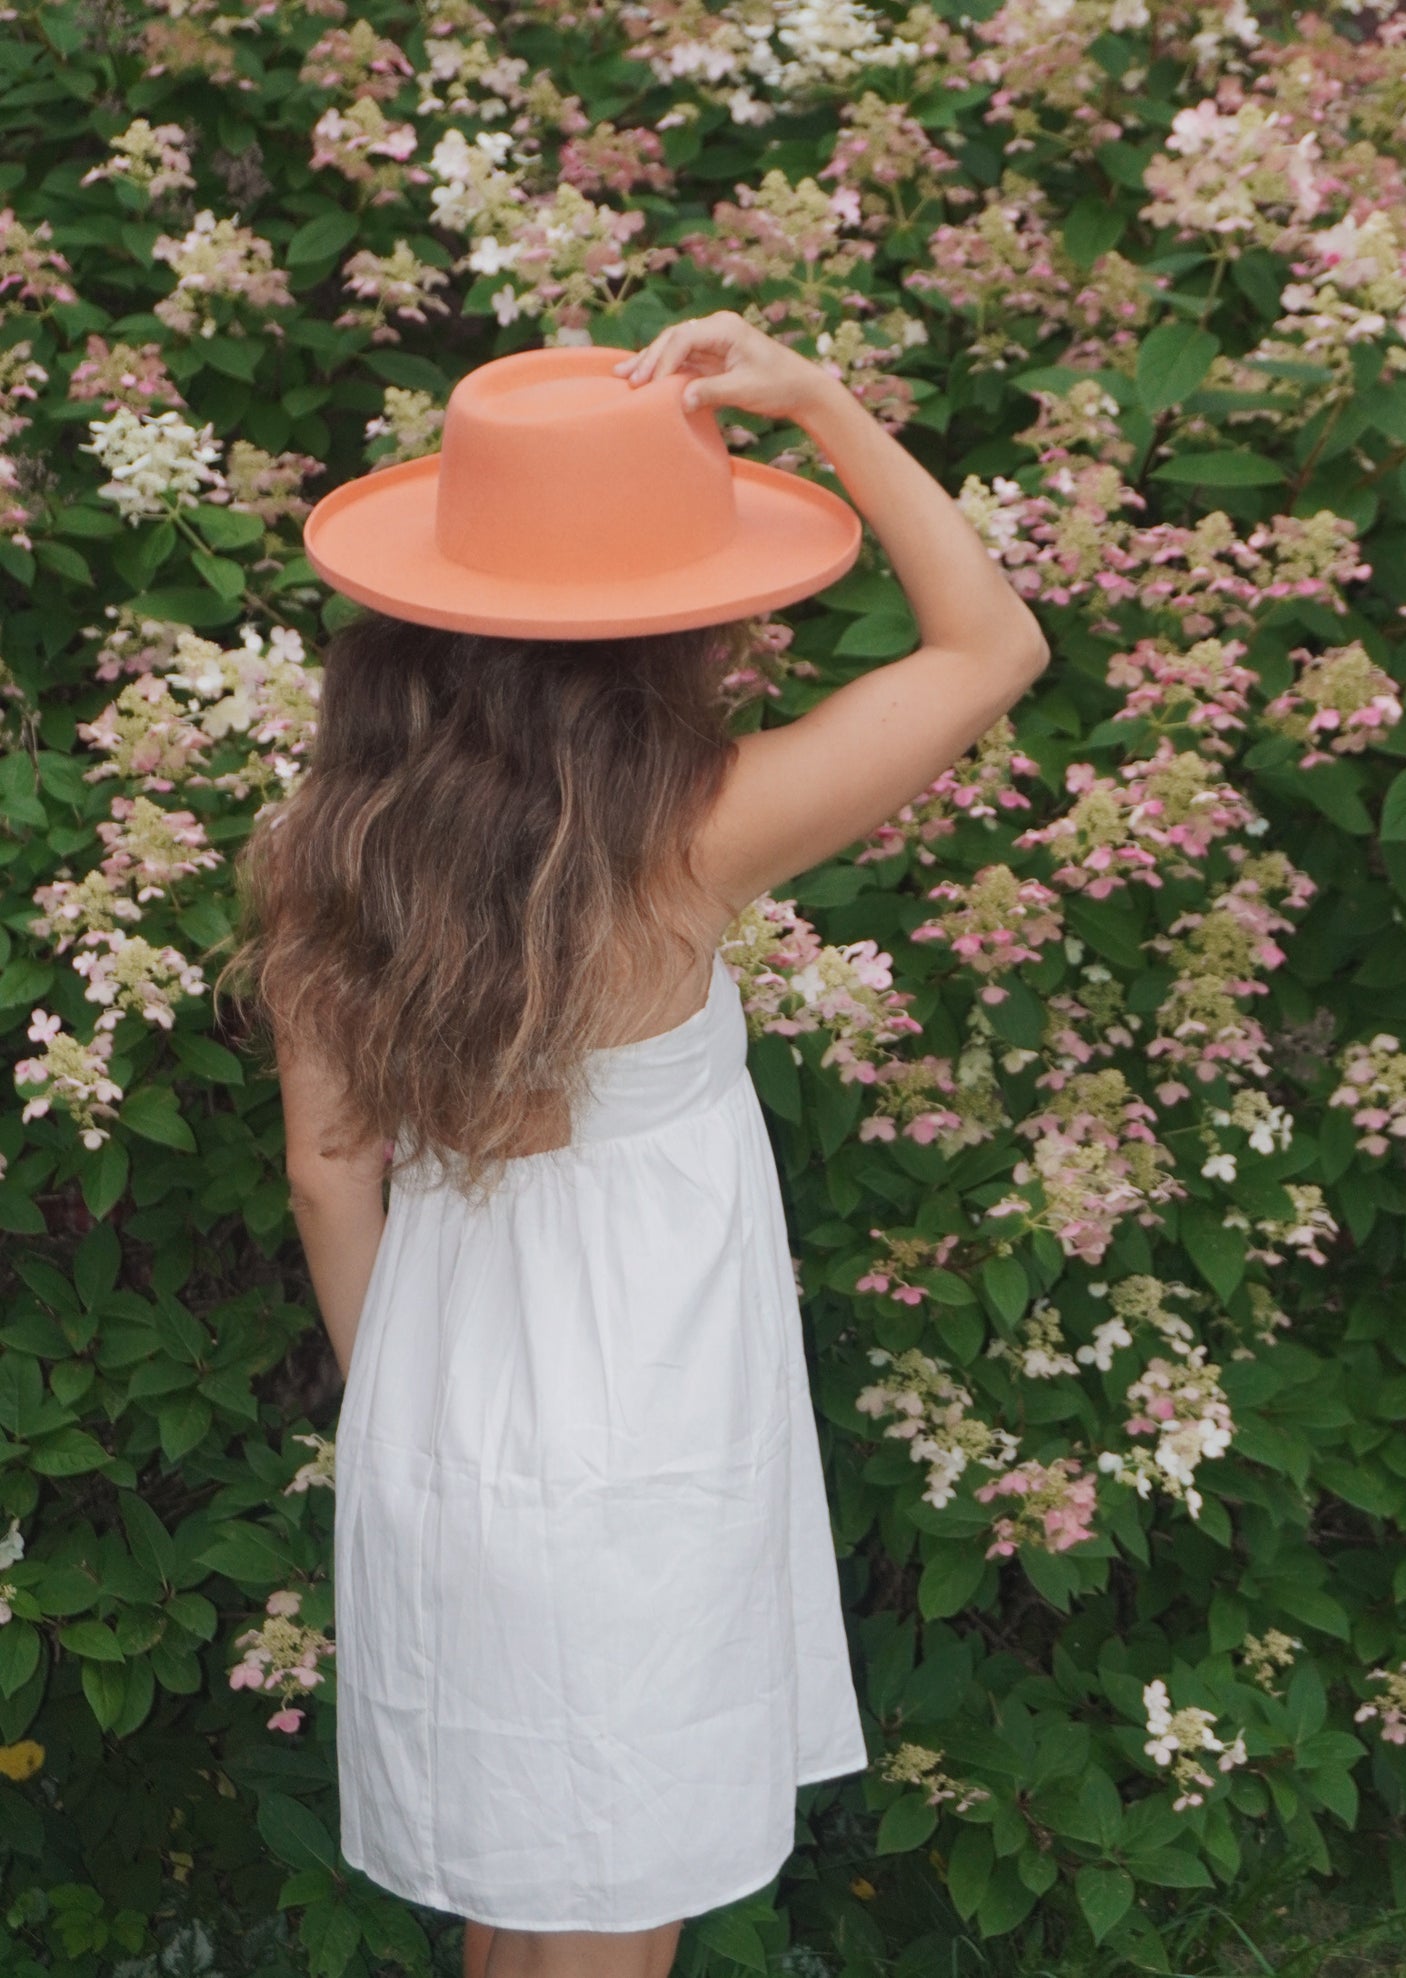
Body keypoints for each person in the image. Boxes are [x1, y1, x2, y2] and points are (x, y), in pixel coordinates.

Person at [223, 310, 1048, 1978]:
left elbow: (330, 1170)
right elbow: (986, 646)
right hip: (648, 1433)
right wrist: (815, 399)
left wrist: (417, 1415)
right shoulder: (690, 842)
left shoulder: (319, 845)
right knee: (610, 1895)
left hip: (444, 1411)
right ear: (659, 630)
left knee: (527, 1895)